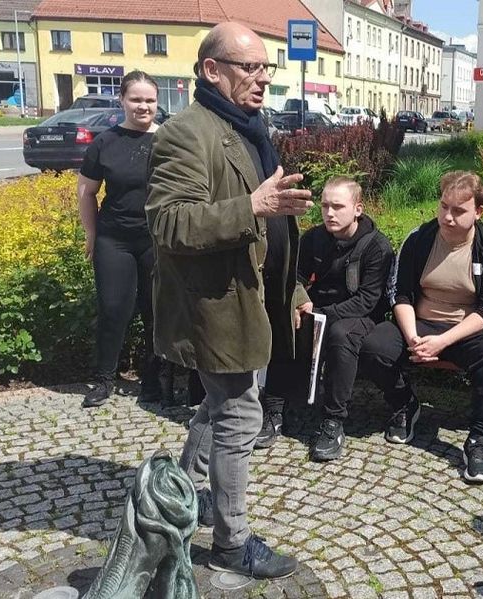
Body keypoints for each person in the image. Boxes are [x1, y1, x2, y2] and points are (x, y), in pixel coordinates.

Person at [146, 22, 313, 579]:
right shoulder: (185, 133)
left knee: (220, 407)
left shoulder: (250, 128)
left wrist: (291, 285)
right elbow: (170, 223)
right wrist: (253, 207)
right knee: (240, 414)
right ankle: (231, 540)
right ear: (211, 70)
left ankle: (188, 489)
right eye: (250, 67)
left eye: (266, 68)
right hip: (215, 304)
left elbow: (270, 219)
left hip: (255, 296)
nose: (262, 79)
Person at [357, 171, 483, 483]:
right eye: (443, 207)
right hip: (420, 323)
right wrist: (414, 337)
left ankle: (478, 440)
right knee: (372, 345)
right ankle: (405, 404)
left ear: (478, 212)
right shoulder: (419, 239)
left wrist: (442, 342)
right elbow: (399, 293)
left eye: (458, 211)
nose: (448, 217)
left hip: (467, 329)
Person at [253, 177, 394, 461]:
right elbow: (296, 277)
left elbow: (368, 300)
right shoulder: (315, 239)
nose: (329, 213)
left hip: (360, 316)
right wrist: (297, 300)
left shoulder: (377, 247)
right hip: (318, 308)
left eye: (338, 207)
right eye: (325, 206)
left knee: (341, 335)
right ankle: (275, 408)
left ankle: (333, 422)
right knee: (287, 321)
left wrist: (321, 314)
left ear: (358, 209)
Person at [77, 70, 164, 408]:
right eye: (136, 99)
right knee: (114, 308)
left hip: (157, 239)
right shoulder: (105, 142)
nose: (143, 106)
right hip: (114, 238)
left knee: (155, 311)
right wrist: (91, 233)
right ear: (122, 101)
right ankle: (103, 379)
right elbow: (86, 192)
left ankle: (153, 380)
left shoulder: (168, 140)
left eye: (150, 100)